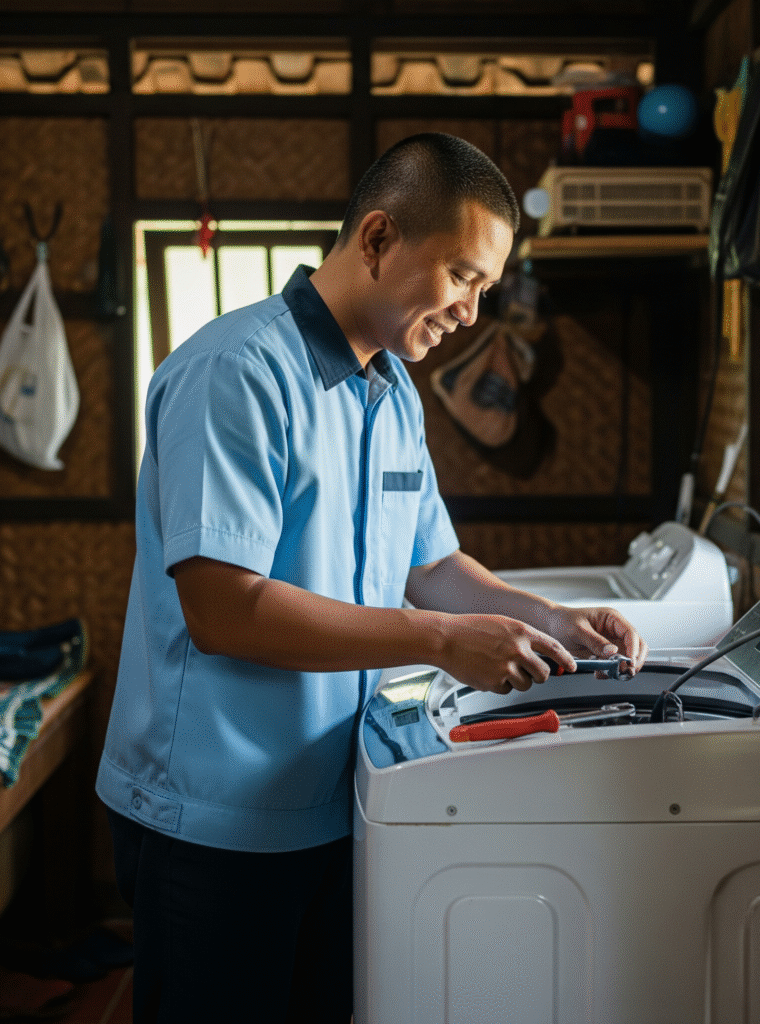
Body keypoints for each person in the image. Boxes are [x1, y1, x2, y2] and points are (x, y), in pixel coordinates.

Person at [96, 132, 648, 1024]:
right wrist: (442, 642)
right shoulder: (236, 371)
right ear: (380, 238)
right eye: (463, 277)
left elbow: (430, 565)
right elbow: (222, 611)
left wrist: (548, 618)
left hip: (334, 796)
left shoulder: (392, 391)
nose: (472, 313)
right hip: (212, 815)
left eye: (485, 289)